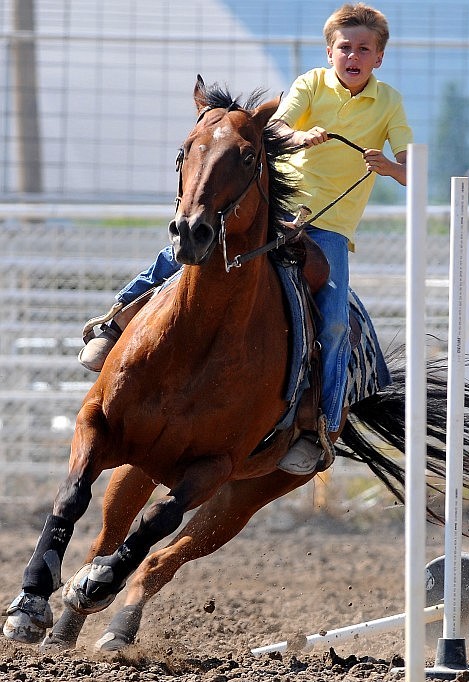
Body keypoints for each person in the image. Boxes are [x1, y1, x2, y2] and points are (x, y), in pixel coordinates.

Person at [78, 3, 412, 476]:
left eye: (363, 49)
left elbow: (412, 170)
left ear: (378, 58)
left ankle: (321, 424)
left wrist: (392, 168)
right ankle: (113, 323)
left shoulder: (390, 103)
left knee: (336, 323)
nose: (352, 56)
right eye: (345, 47)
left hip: (330, 230)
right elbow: (272, 130)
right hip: (278, 213)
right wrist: (300, 139)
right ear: (330, 51)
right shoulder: (310, 85)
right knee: (183, 253)